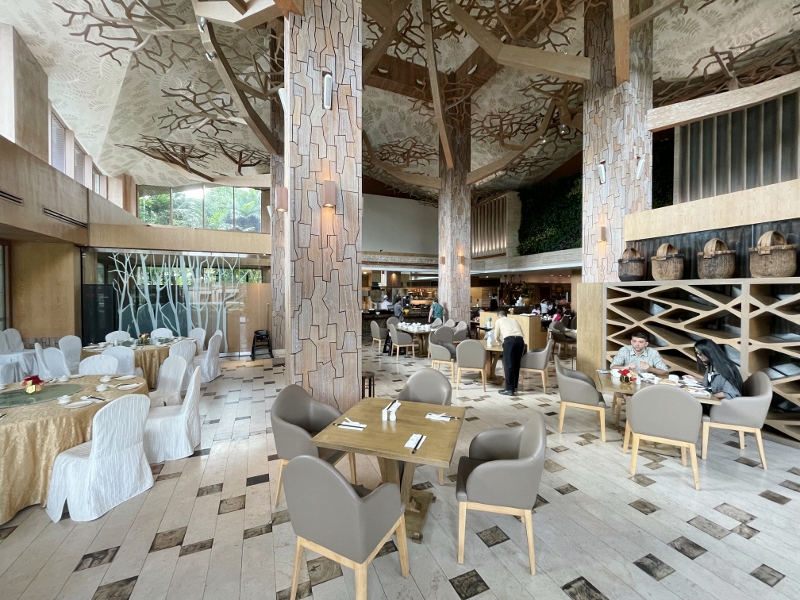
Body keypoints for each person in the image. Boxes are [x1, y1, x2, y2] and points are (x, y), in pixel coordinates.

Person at [493, 310, 525, 396]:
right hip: (520, 341)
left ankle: (509, 389)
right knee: (516, 364)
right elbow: (521, 331)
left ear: (499, 316)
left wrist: (500, 342)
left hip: (509, 341)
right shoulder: (513, 320)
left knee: (509, 365)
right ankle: (514, 386)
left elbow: (496, 335)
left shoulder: (499, 321)